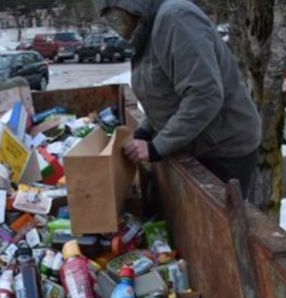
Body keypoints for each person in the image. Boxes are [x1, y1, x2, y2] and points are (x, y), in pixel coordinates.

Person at [95, 0, 261, 197]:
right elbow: (167, 96)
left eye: (117, 16)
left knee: (217, 223)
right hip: (195, 142)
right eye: (110, 20)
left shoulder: (176, 19)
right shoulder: (147, 29)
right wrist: (145, 131)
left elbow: (204, 96)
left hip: (222, 148)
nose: (118, 25)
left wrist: (157, 147)